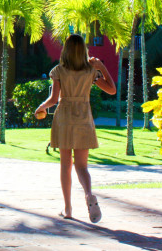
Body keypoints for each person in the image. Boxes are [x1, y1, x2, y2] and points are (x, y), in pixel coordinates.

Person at [34, 34, 116, 223]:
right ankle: (89, 194)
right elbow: (111, 90)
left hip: (64, 117)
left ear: (66, 50)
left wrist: (41, 107)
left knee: (66, 165)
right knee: (82, 166)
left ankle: (68, 209)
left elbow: (54, 99)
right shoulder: (90, 71)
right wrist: (101, 67)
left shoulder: (58, 71)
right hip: (83, 118)